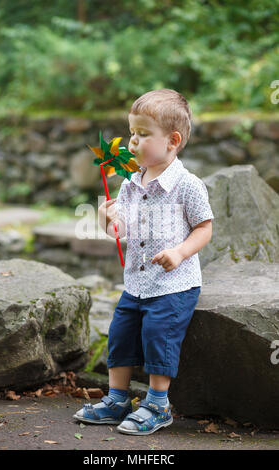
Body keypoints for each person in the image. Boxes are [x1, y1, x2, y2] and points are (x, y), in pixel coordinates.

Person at [73, 88, 214, 435]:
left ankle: (157, 404)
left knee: (158, 336)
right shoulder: (130, 183)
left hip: (172, 285)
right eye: (131, 133)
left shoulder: (187, 185)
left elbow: (204, 228)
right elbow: (121, 232)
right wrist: (107, 221)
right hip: (136, 283)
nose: (132, 142)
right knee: (119, 336)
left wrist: (180, 252)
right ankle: (117, 399)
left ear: (173, 140)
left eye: (143, 134)